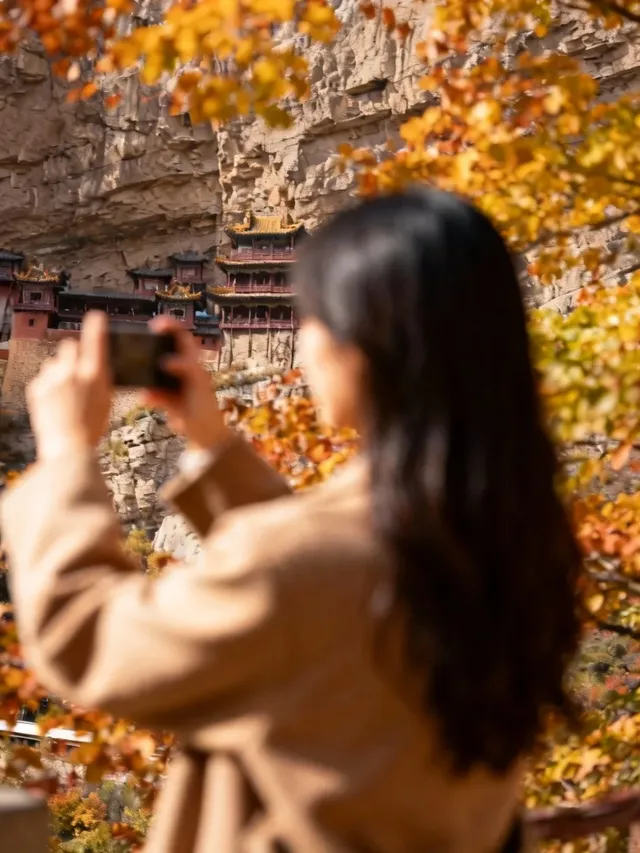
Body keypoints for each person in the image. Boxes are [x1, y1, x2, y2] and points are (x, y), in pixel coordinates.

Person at [0, 189, 580, 853]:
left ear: (364, 342)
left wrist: (68, 457)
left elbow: (89, 639)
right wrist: (216, 450)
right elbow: (324, 607)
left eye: (313, 317)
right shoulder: (513, 543)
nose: (301, 338)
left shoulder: (305, 566)